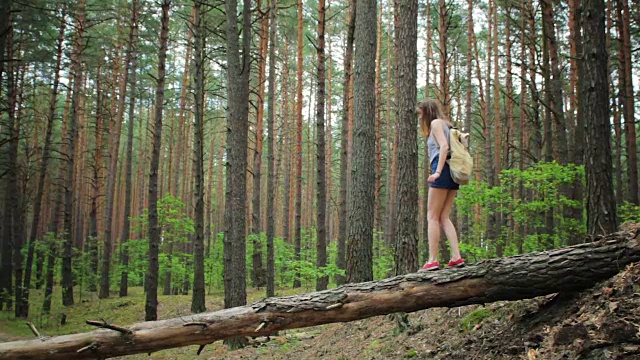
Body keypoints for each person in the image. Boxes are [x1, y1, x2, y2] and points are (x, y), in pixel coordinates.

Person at [417, 99, 465, 271]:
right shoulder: (447, 124)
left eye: (420, 112)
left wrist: (437, 172)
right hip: (452, 171)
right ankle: (456, 257)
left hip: (443, 168)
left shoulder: (436, 123)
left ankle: (432, 259)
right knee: (444, 216)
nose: (419, 116)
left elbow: (444, 147)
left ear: (426, 111)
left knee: (432, 216)